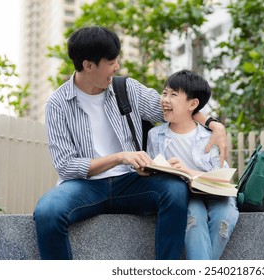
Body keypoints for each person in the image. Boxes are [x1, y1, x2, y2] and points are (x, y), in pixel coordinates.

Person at [33, 26, 227, 260]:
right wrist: (120, 156)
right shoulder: (58, 104)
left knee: (174, 190)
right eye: (111, 62)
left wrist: (214, 124)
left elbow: (172, 109)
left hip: (132, 182)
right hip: (84, 186)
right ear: (88, 65)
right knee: (47, 211)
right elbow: (66, 165)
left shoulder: (127, 89)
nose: (117, 67)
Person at [147, 69, 239, 260]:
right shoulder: (155, 136)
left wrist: (187, 171)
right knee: (193, 219)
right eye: (164, 93)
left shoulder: (209, 136)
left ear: (193, 104)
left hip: (215, 194)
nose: (165, 99)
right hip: (185, 195)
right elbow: (152, 171)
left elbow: (221, 178)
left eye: (173, 94)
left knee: (226, 217)